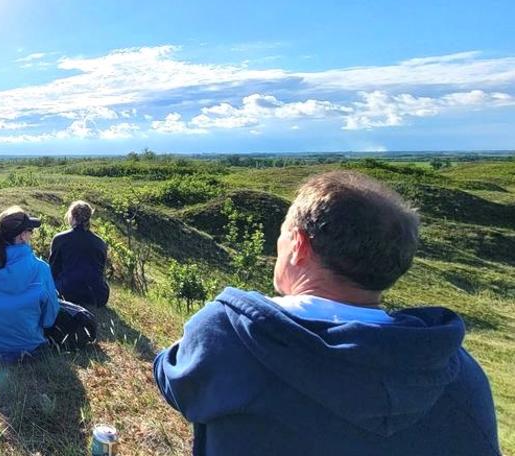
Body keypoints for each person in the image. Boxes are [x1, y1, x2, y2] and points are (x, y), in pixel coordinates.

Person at [153, 171, 499, 456]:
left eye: (282, 235)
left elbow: (172, 380)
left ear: (300, 245)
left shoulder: (232, 333)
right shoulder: (458, 374)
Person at [0, 207, 59, 362]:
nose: (31, 234)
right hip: (27, 345)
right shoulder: (41, 269)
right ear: (22, 236)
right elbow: (49, 317)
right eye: (30, 231)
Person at [49, 200, 110, 307]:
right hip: (97, 295)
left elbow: (53, 270)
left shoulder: (60, 239)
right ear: (89, 218)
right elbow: (101, 272)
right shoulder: (100, 243)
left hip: (66, 292)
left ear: (71, 216)